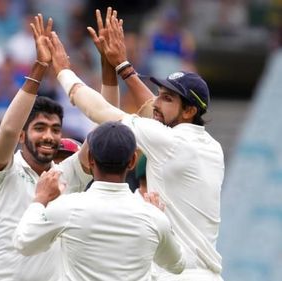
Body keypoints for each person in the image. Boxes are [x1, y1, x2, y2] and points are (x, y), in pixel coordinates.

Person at [47, 10, 224, 280]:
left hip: (176, 274)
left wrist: (63, 72)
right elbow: (151, 112)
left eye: (167, 98)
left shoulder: (170, 142)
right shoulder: (211, 146)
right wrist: (123, 67)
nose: (157, 103)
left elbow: (100, 112)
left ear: (188, 111)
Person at [0, 14, 92, 281]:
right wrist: (40, 67)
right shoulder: (0, 171)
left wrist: (110, 68)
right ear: (22, 136)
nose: (49, 137)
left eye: (55, 130)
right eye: (40, 128)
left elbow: (104, 137)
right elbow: (7, 129)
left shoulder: (65, 174)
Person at [14, 121, 185, 280]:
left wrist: (40, 199)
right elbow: (177, 265)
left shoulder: (67, 207)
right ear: (132, 161)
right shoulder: (153, 217)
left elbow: (23, 242)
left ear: (90, 159)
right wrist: (161, 220)